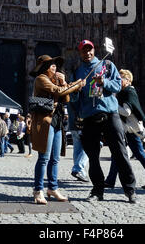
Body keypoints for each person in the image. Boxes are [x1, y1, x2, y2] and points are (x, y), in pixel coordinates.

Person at [71, 40, 137, 203]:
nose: (87, 53)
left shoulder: (107, 65)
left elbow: (117, 86)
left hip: (110, 114)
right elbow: (74, 100)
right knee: (93, 157)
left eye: (89, 49)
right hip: (89, 117)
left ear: (94, 50)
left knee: (120, 153)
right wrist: (76, 90)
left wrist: (103, 82)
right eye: (83, 50)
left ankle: (130, 189)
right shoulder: (78, 72)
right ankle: (97, 191)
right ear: (79, 53)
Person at [31, 54, 85, 205]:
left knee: (55, 159)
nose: (54, 67)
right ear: (44, 68)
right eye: (51, 65)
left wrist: (64, 81)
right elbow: (59, 92)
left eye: (55, 65)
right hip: (45, 121)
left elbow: (65, 99)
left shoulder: (55, 80)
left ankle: (52, 188)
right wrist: (76, 85)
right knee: (44, 158)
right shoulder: (41, 79)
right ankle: (38, 190)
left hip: (57, 121)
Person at [105, 69, 145, 190]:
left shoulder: (129, 92)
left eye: (120, 79)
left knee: (139, 154)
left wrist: (113, 104)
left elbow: (126, 112)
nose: (118, 81)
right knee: (117, 154)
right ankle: (110, 180)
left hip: (131, 129)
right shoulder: (124, 92)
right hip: (126, 128)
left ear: (128, 80)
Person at [67, 101, 89, 182]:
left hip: (73, 123)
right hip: (82, 123)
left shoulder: (70, 90)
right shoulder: (81, 90)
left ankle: (81, 173)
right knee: (89, 147)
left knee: (77, 149)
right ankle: (78, 169)